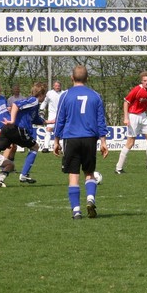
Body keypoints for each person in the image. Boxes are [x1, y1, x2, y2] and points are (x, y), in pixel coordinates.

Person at [53, 65, 109, 220]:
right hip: (89, 138)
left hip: (71, 138)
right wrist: (103, 141)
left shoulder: (65, 95)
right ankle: (90, 198)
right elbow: (101, 121)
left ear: (72, 78)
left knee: (73, 174)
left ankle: (76, 211)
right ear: (87, 78)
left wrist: (56, 141)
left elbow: (60, 120)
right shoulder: (96, 96)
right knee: (89, 173)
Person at [114, 70, 147, 174]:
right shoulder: (137, 90)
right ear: (141, 81)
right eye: (144, 80)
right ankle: (118, 168)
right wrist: (126, 117)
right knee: (130, 143)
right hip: (133, 116)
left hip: (143, 116)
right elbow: (126, 102)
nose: (146, 82)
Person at [40, 79, 63, 152]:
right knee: (48, 129)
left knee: (62, 130)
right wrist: (41, 110)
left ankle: (61, 146)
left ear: (60, 86)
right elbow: (44, 102)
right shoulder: (49, 93)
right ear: (53, 86)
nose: (57, 87)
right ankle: (46, 147)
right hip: (52, 114)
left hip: (62, 114)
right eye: (56, 86)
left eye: (58, 86)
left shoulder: (64, 93)